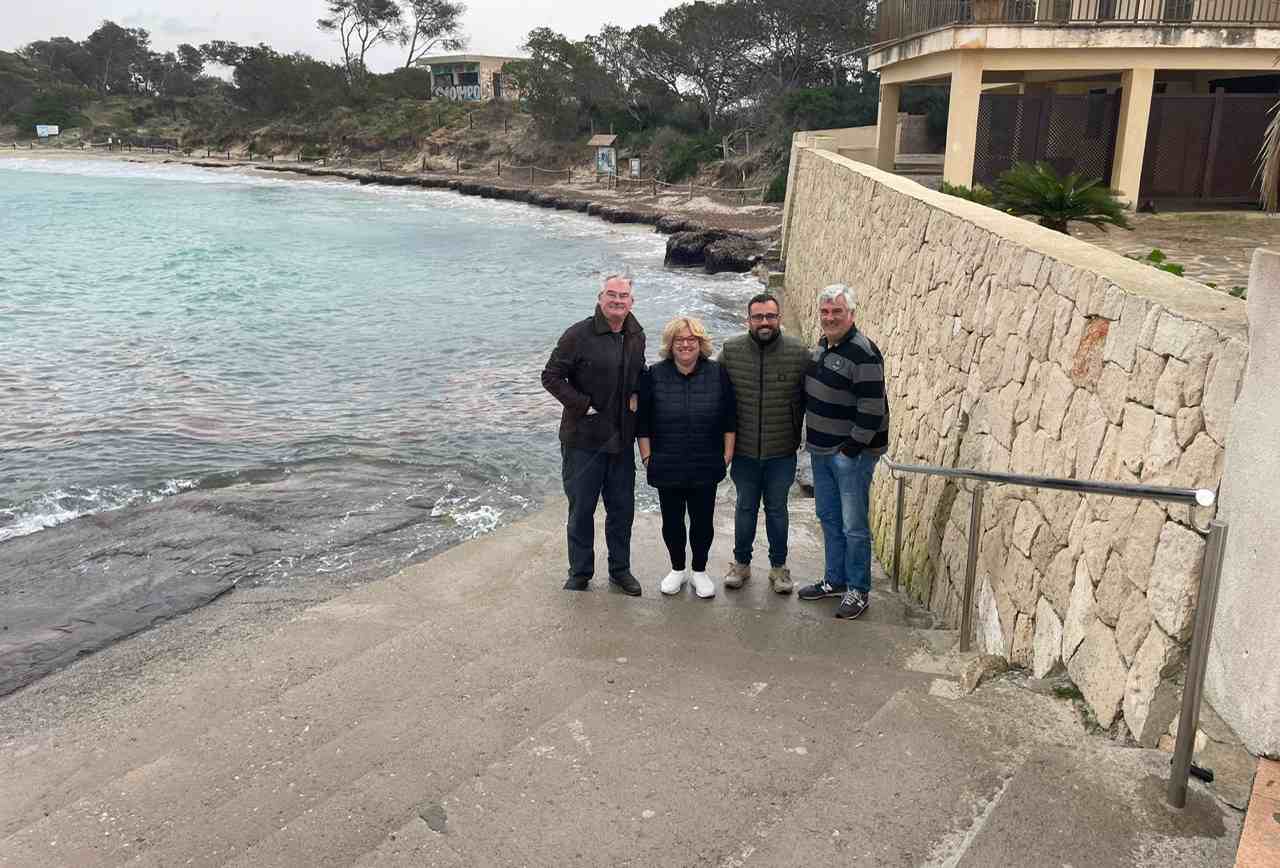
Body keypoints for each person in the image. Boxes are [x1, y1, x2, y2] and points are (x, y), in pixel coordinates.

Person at [541, 272, 646, 595]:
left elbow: (638, 371)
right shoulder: (578, 335)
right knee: (582, 510)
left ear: (631, 301)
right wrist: (583, 405)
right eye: (611, 295)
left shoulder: (635, 332)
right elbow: (551, 376)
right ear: (600, 298)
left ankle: (620, 570)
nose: (617, 301)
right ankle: (580, 572)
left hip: (621, 441)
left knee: (621, 511)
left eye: (623, 296)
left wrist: (637, 394)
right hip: (582, 442)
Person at [797, 283, 890, 620]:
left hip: (849, 455)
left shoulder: (863, 352)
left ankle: (858, 590)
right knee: (829, 518)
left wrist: (850, 450)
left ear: (851, 314)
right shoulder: (824, 346)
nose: (830, 317)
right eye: (825, 312)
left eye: (837, 311)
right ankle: (834, 579)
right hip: (821, 451)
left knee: (853, 525)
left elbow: (872, 407)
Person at [636, 316, 736, 599]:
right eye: (679, 340)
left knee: (703, 521)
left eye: (692, 339)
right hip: (667, 462)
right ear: (670, 344)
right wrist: (647, 458)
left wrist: (727, 454)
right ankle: (677, 569)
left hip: (706, 461)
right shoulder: (653, 374)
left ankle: (700, 571)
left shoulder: (717, 373)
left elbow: (730, 417)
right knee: (672, 521)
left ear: (701, 343)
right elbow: (642, 423)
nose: (686, 344)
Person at [717, 292, 810, 595]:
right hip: (743, 451)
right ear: (749, 320)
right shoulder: (731, 351)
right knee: (745, 508)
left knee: (777, 510)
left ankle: (779, 568)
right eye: (758, 317)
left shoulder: (798, 352)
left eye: (770, 316)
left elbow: (816, 395)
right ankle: (741, 564)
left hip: (782, 451)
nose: (764, 322)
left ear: (779, 318)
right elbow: (712, 392)